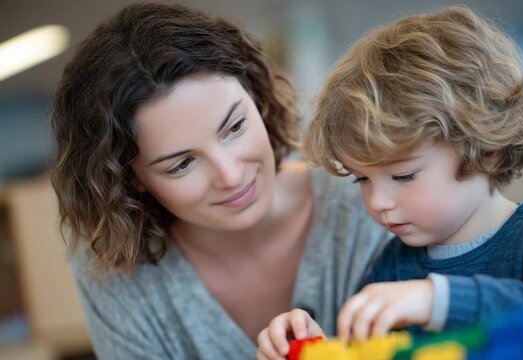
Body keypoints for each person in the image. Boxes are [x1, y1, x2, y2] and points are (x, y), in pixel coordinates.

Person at [257, 6, 523, 359]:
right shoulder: (391, 269)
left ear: (485, 150)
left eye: (403, 176)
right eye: (362, 178)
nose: (378, 201)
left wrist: (437, 300)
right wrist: (323, 347)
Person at [50, 3, 389, 359]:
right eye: (181, 165)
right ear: (130, 179)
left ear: (257, 98)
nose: (230, 176)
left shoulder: (367, 198)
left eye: (235, 127)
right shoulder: (117, 274)